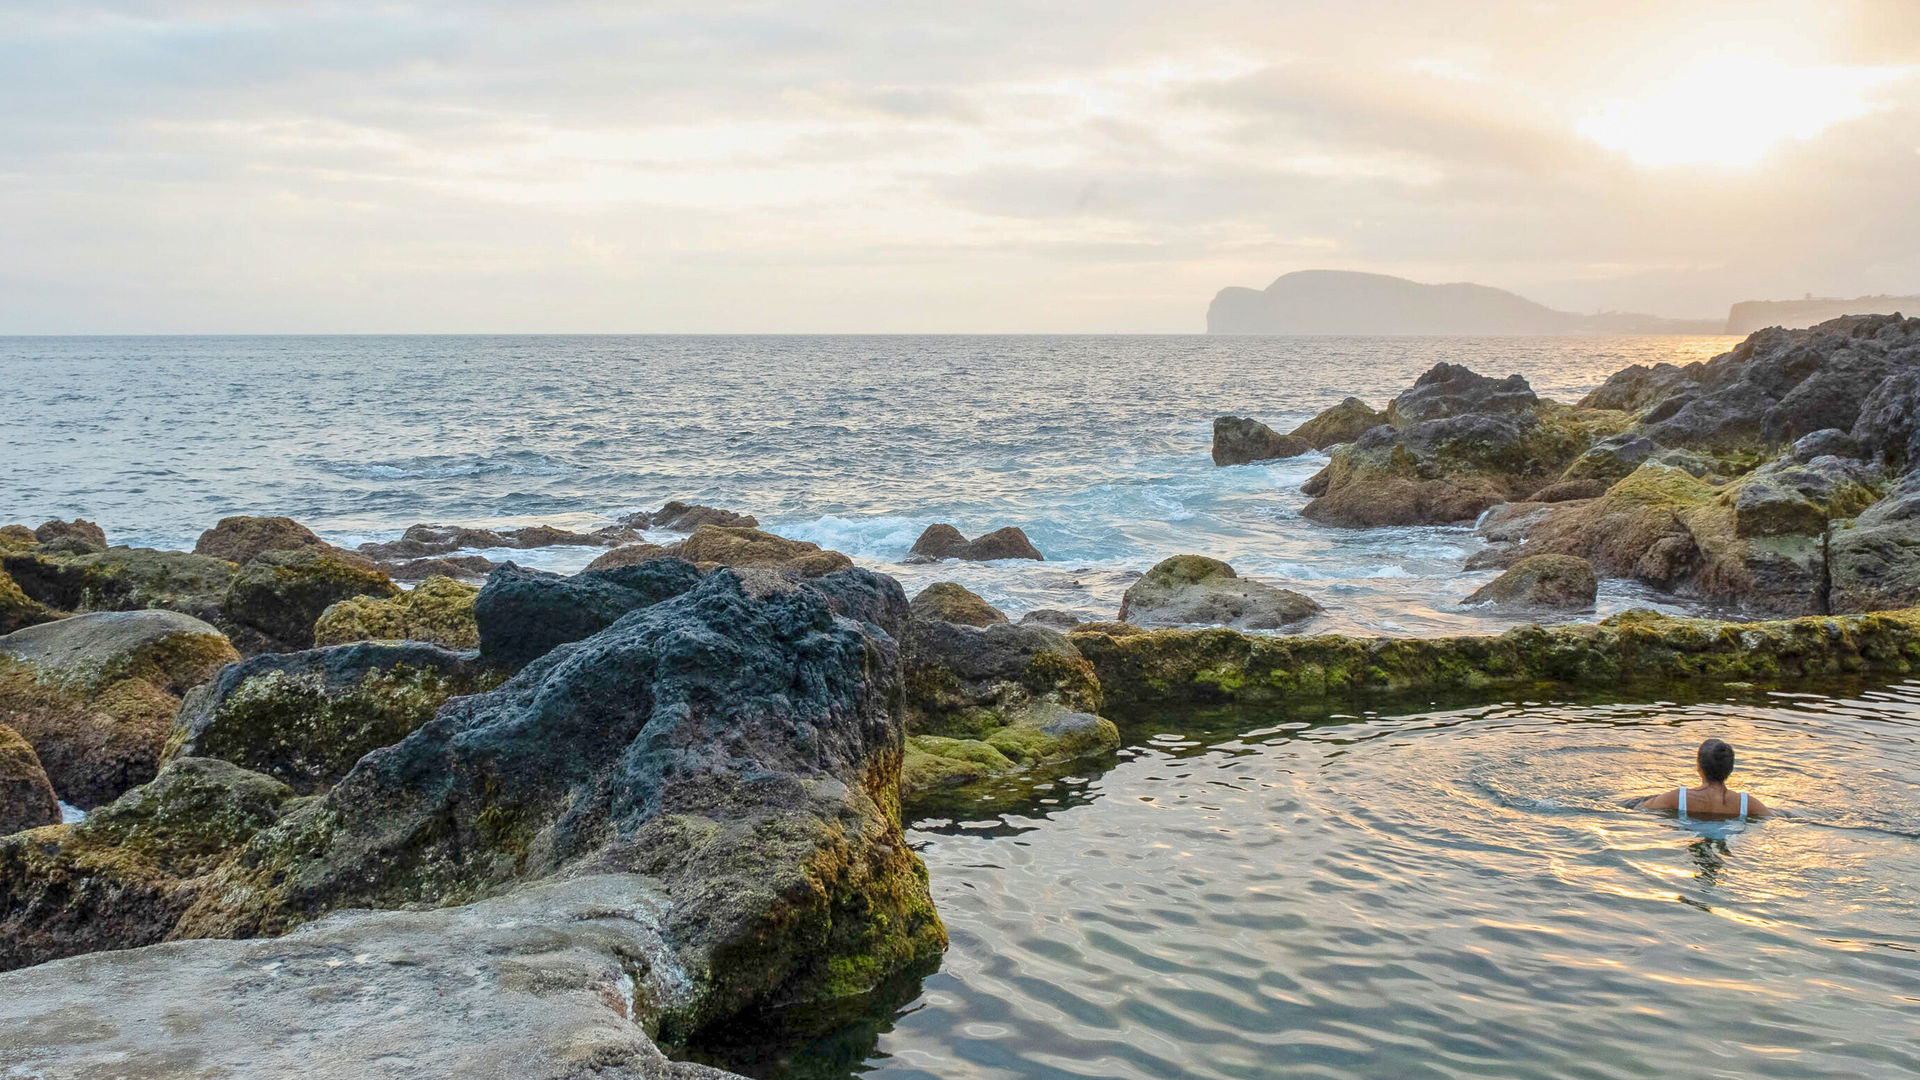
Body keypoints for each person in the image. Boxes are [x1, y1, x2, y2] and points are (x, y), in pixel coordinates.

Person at [1640, 738, 1772, 820]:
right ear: (1730, 769)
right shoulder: (1746, 803)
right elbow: (1773, 818)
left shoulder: (1678, 797)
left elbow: (1641, 809)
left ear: (1699, 767)